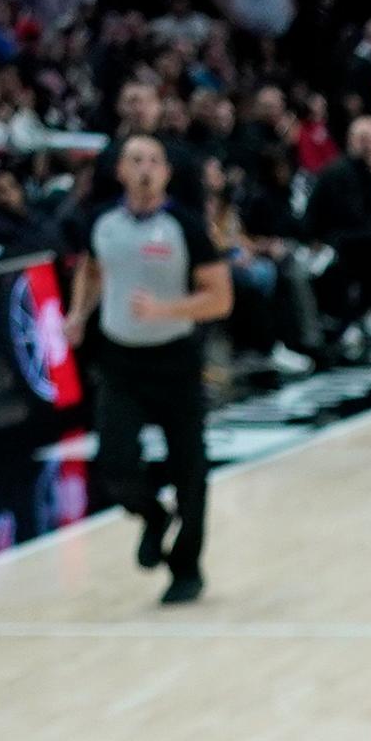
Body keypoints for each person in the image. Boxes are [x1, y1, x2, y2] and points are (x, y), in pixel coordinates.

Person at [66, 134, 230, 607]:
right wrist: (79, 313)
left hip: (174, 359)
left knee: (190, 468)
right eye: (135, 160)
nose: (144, 168)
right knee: (114, 464)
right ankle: (153, 517)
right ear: (120, 170)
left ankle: (187, 566)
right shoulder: (102, 223)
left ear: (166, 173)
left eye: (154, 161)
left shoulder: (186, 227)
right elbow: (93, 271)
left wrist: (165, 309)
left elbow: (220, 298)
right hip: (120, 359)